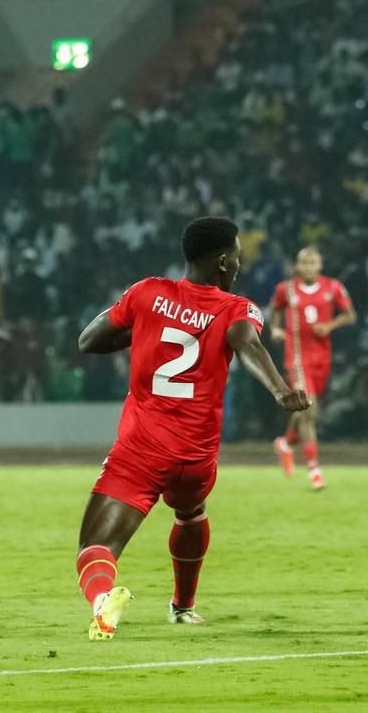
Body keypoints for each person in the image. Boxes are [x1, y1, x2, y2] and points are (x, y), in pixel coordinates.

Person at [74, 217, 310, 641]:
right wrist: (280, 390)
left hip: (141, 451)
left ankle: (103, 601)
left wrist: (145, 329)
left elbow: (88, 339)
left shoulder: (147, 293)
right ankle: (183, 607)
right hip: (196, 459)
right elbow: (247, 343)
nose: (239, 261)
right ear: (222, 260)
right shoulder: (237, 308)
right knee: (190, 513)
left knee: (96, 548)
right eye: (236, 253)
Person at [269, 247, 357, 490]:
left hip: (322, 359)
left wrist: (330, 325)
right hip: (297, 358)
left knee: (308, 411)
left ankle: (286, 443)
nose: (308, 267)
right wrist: (275, 330)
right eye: (304, 263)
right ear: (297, 266)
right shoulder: (285, 289)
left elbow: (350, 315)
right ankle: (314, 470)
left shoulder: (333, 287)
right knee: (309, 408)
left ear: (320, 265)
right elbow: (273, 311)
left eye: (313, 263)